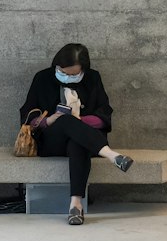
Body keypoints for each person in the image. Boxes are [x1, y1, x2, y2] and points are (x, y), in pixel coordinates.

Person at [19, 42, 133, 226]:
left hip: (85, 140)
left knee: (77, 141)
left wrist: (79, 121)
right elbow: (27, 116)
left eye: (73, 74)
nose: (67, 76)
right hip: (51, 140)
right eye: (63, 72)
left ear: (83, 70)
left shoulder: (93, 78)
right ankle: (113, 156)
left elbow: (104, 115)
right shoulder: (42, 78)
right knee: (65, 120)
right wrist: (50, 120)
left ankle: (75, 205)